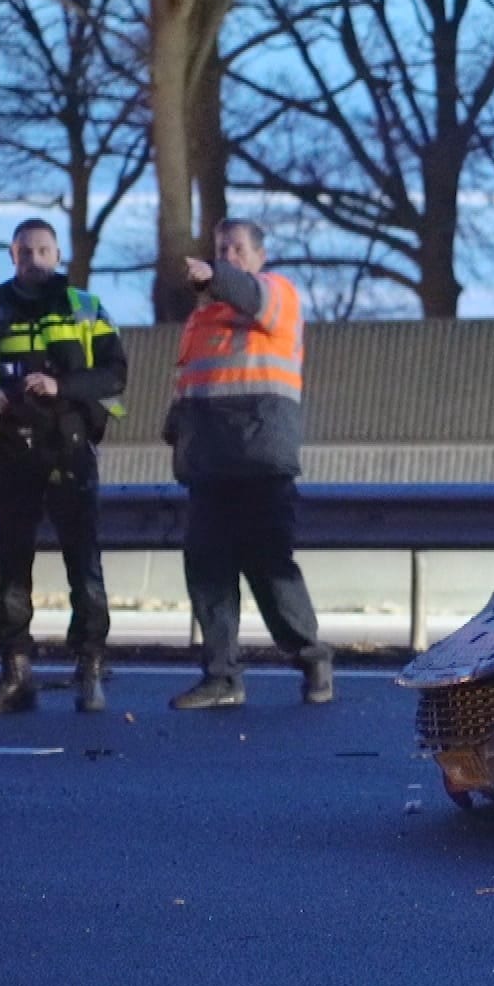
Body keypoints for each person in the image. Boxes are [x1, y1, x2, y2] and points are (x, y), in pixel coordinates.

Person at [164, 218, 334, 710]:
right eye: (221, 248)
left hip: (260, 459)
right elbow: (196, 382)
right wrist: (177, 424)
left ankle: (312, 658)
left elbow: (249, 295)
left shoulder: (276, 292)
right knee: (208, 571)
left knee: (270, 569)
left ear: (260, 256)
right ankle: (221, 677)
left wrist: (215, 273)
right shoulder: (204, 318)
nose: (228, 257)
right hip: (210, 463)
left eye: (237, 249)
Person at [0, 219, 127, 714]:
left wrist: (61, 388)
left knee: (83, 564)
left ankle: (90, 669)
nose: (35, 259)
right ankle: (16, 676)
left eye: (44, 250)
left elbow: (114, 374)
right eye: (26, 251)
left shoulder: (84, 306)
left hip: (68, 448)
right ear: (13, 255)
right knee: (11, 568)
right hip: (9, 452)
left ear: (58, 252)